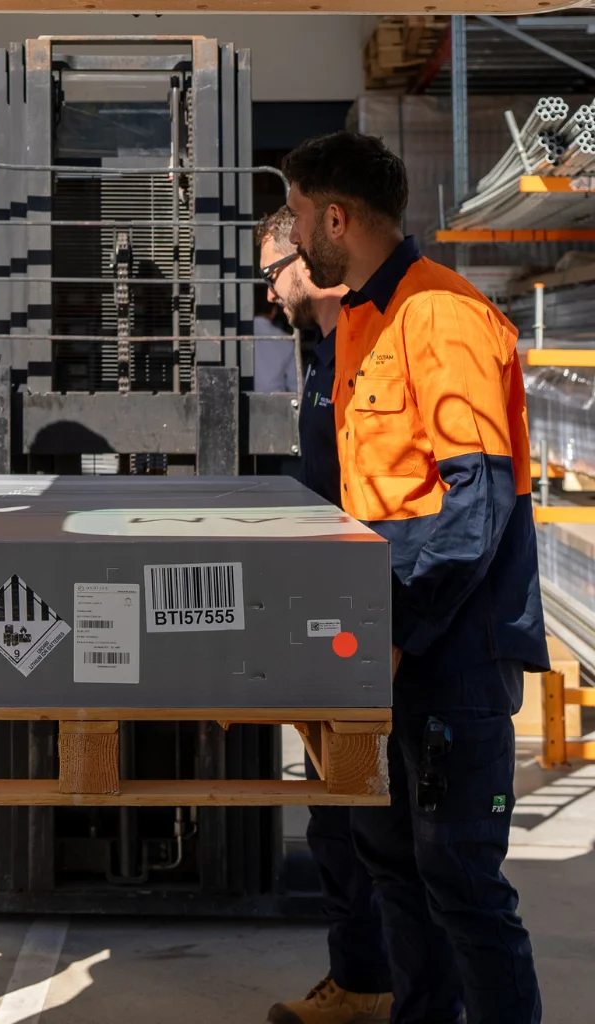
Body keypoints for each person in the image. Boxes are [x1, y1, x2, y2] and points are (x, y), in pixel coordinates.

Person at [281, 131, 548, 1024]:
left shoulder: (443, 316)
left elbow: (478, 505)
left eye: (294, 212)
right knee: (392, 861)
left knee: (462, 882)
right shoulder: (363, 318)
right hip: (388, 645)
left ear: (335, 216)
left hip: (447, 653)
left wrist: (396, 630)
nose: (290, 233)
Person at [256, 207, 393, 1024]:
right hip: (334, 614)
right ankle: (363, 981)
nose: (271, 293)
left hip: (378, 617)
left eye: (275, 271)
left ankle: (385, 983)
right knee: (336, 818)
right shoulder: (325, 351)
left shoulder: (375, 341)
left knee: (381, 828)